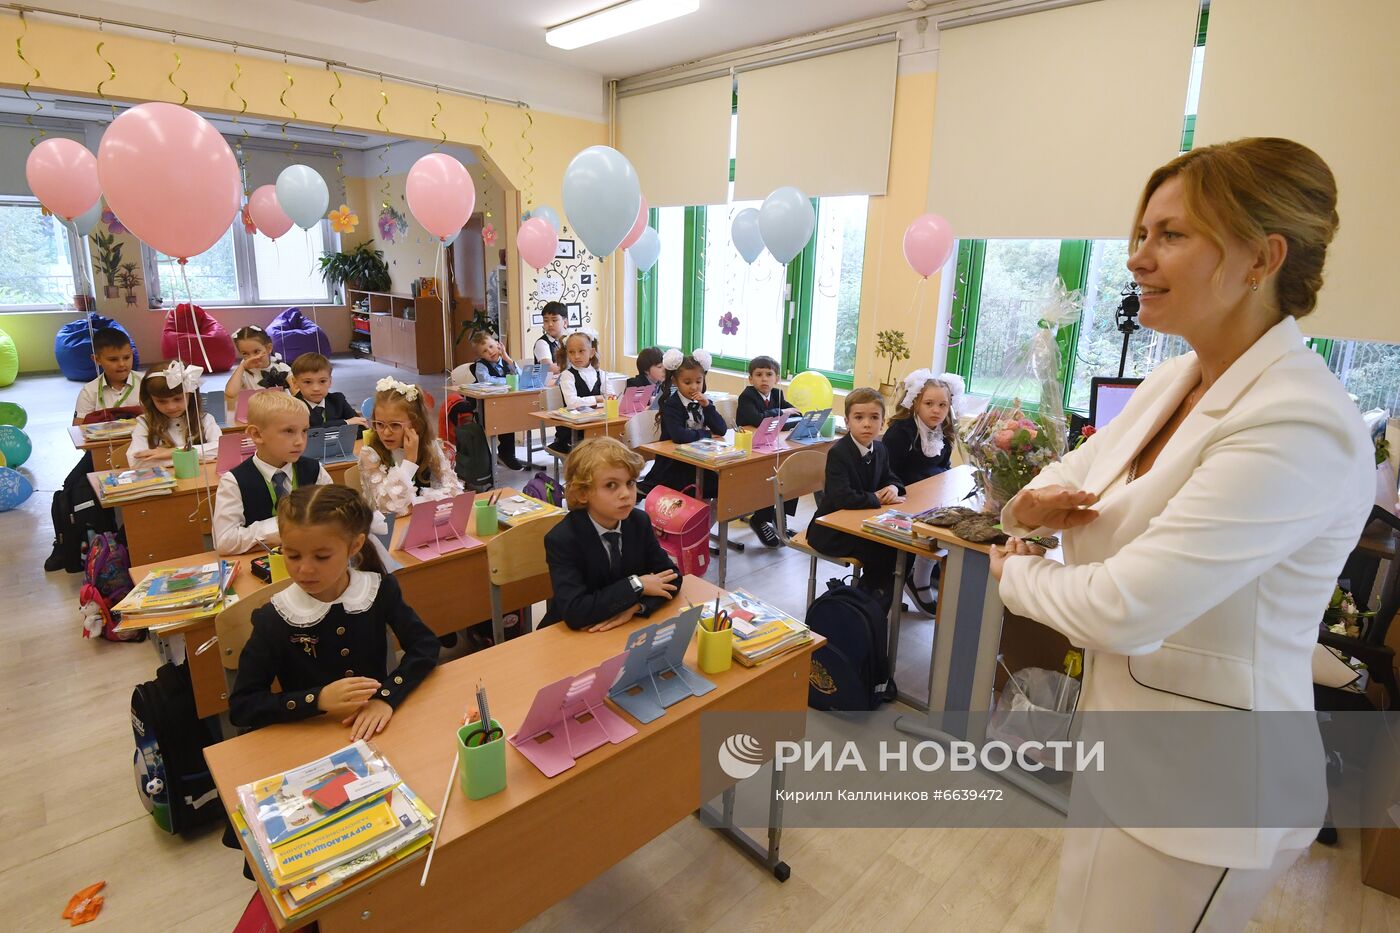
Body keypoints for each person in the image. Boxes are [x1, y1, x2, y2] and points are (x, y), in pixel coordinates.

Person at [989, 137, 1374, 932]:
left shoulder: (1299, 419)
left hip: (1212, 790)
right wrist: (1023, 515)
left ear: (1262, 257)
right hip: (1123, 743)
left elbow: (1126, 606)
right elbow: (1062, 479)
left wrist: (1012, 569)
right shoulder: (1175, 377)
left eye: (1171, 235)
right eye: (1140, 233)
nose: (1137, 257)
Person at [228, 484, 439, 738]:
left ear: (355, 546)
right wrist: (317, 699)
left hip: (375, 730)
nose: (304, 569)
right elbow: (243, 706)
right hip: (309, 738)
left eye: (322, 557)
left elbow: (425, 646)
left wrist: (386, 697)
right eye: (293, 555)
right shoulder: (275, 617)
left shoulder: (378, 589)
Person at [542, 437, 681, 631]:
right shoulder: (563, 539)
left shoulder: (638, 522)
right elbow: (575, 611)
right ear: (583, 493)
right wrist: (637, 584)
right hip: (573, 635)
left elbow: (672, 576)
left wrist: (636, 606)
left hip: (623, 629)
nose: (626, 494)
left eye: (630, 482)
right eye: (611, 485)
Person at [806, 387, 906, 611]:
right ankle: (867, 603)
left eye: (874, 418)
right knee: (882, 551)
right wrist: (877, 499)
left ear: (883, 422)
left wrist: (893, 487)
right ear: (847, 421)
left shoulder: (880, 449)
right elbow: (843, 497)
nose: (867, 424)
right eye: (859, 418)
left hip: (861, 523)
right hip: (831, 530)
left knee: (898, 549)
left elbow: (892, 477)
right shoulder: (839, 453)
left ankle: (873, 599)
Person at [212, 390, 332, 555]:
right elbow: (225, 541)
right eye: (289, 431)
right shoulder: (234, 481)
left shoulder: (315, 470)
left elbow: (334, 518)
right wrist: (285, 525)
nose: (300, 441)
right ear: (257, 434)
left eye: (304, 431)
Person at [883, 369, 961, 611]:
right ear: (915, 402)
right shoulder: (901, 432)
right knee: (934, 526)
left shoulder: (943, 432)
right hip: (902, 499)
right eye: (929, 403)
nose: (936, 410)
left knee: (955, 520)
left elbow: (944, 467)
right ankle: (917, 579)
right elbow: (887, 472)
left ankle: (921, 576)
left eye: (943, 405)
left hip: (929, 497)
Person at [358, 376, 464, 515]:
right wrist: (409, 461)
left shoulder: (429, 446)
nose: (386, 432)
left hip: (422, 523)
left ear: (416, 425)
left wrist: (418, 504)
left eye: (395, 425)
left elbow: (454, 491)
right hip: (387, 531)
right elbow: (389, 508)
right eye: (379, 424)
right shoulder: (369, 455)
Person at [736, 354, 800, 546]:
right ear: (750, 379)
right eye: (758, 374)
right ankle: (760, 518)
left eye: (769, 374)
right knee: (769, 478)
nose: (764, 379)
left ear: (777, 378)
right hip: (751, 450)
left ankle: (779, 517)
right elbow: (757, 419)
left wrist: (785, 415)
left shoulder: (777, 395)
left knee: (792, 470)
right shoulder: (747, 396)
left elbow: (795, 414)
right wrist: (781, 413)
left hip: (772, 448)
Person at [649, 350, 726, 497]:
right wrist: (707, 434)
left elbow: (721, 429)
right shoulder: (672, 405)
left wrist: (707, 406)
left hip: (699, 460)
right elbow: (679, 436)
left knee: (719, 485)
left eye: (698, 381)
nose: (694, 387)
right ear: (675, 382)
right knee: (693, 487)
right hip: (674, 464)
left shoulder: (703, 401)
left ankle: (708, 517)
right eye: (687, 382)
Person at [128, 361, 221, 464]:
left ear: (190, 395)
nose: (171, 407)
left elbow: (220, 449)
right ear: (150, 399)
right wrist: (196, 458)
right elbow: (136, 461)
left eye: (178, 399)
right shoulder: (145, 422)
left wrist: (172, 452)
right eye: (161, 401)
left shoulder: (204, 419)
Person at [469, 331, 522, 470]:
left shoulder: (505, 360)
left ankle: (506, 454)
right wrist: (509, 380)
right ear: (481, 355)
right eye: (485, 351)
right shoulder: (481, 365)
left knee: (513, 417)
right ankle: (506, 455)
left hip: (508, 404)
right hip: (487, 407)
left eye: (492, 346)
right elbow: (486, 381)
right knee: (505, 419)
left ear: (499, 345)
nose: (490, 352)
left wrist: (507, 358)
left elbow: (521, 376)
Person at [549, 331, 606, 456]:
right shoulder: (567, 375)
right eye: (571, 352)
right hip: (572, 430)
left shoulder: (600, 374)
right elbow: (572, 403)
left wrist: (603, 400)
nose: (577, 356)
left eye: (581, 351)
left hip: (595, 423)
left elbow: (611, 398)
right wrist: (598, 399)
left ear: (591, 352)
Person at [73, 327, 142, 424]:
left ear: (132, 353)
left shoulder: (147, 383)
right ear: (96, 359)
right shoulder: (89, 392)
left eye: (127, 357)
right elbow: (78, 427)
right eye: (113, 359)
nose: (122, 364)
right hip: (104, 439)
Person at [290, 352, 367, 429]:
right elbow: (305, 432)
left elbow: (360, 425)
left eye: (322, 381)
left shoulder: (337, 400)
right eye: (307, 382)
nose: (316, 388)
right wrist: (345, 422)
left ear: (330, 381)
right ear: (295, 383)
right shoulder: (292, 407)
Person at [224, 325, 291, 403]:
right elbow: (230, 394)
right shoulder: (242, 372)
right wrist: (242, 366)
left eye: (256, 351)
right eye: (245, 353)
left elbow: (297, 392)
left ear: (268, 348)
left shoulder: (282, 368)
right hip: (256, 413)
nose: (252, 358)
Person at [533, 301, 568, 374]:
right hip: (548, 385)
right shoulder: (541, 343)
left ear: (565, 323)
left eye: (554, 320)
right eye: (546, 320)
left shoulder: (569, 340)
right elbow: (549, 368)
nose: (550, 324)